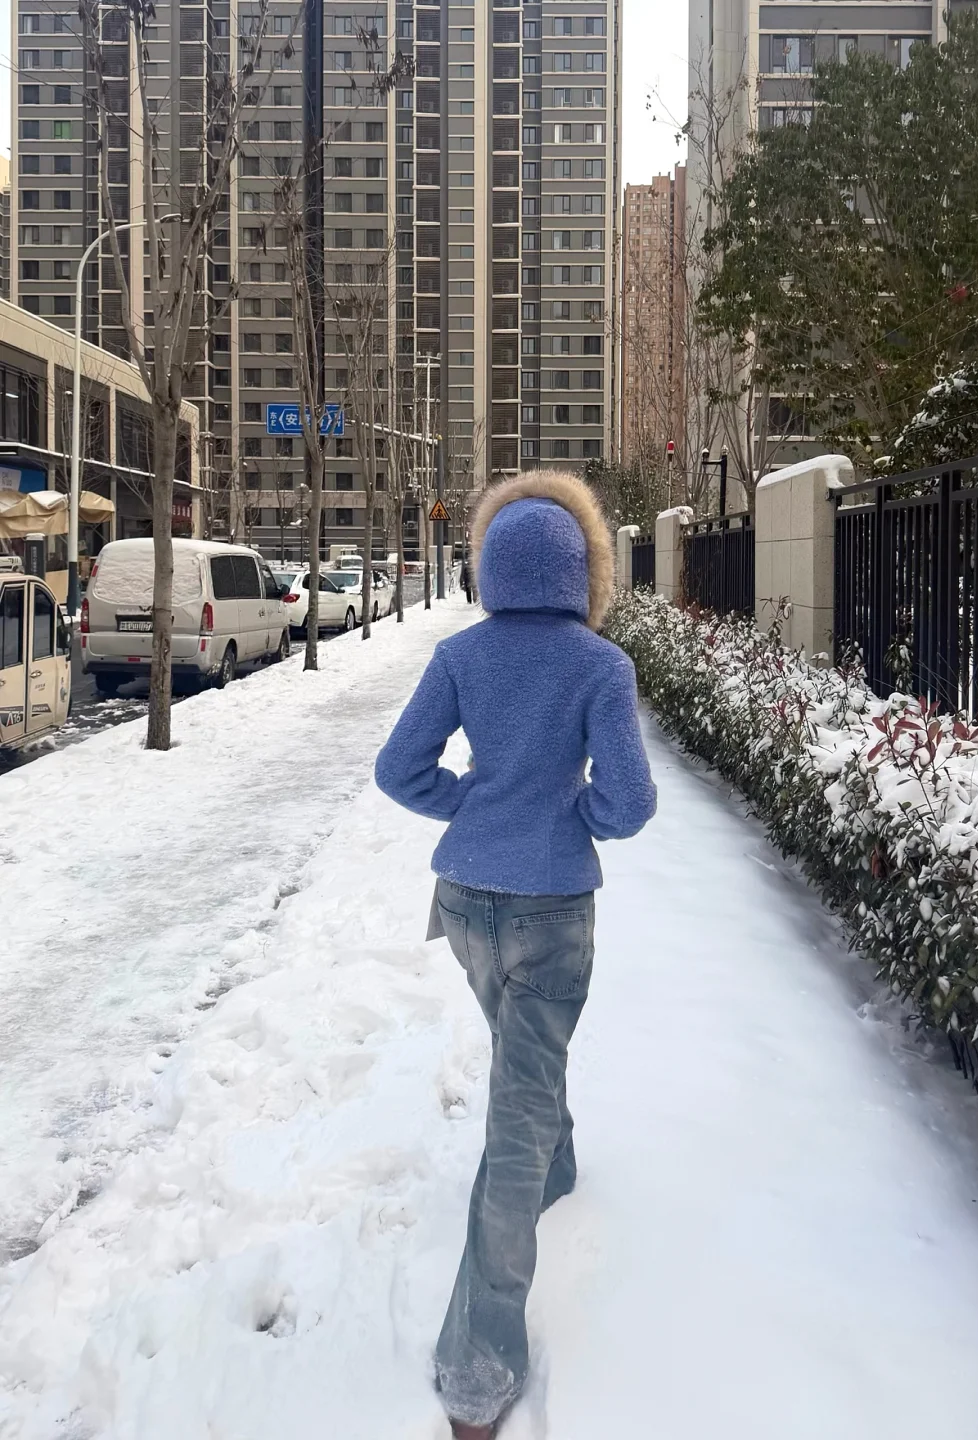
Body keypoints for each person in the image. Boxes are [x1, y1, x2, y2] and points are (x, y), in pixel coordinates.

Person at [375, 472, 657, 1438]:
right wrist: (572, 815)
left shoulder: (461, 655)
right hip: (550, 910)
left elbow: (399, 769)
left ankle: (557, 1166)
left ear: (490, 564)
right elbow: (629, 803)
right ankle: (477, 1366)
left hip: (463, 902)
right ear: (586, 570)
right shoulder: (601, 666)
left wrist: (473, 804)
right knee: (518, 1115)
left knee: (523, 1055)